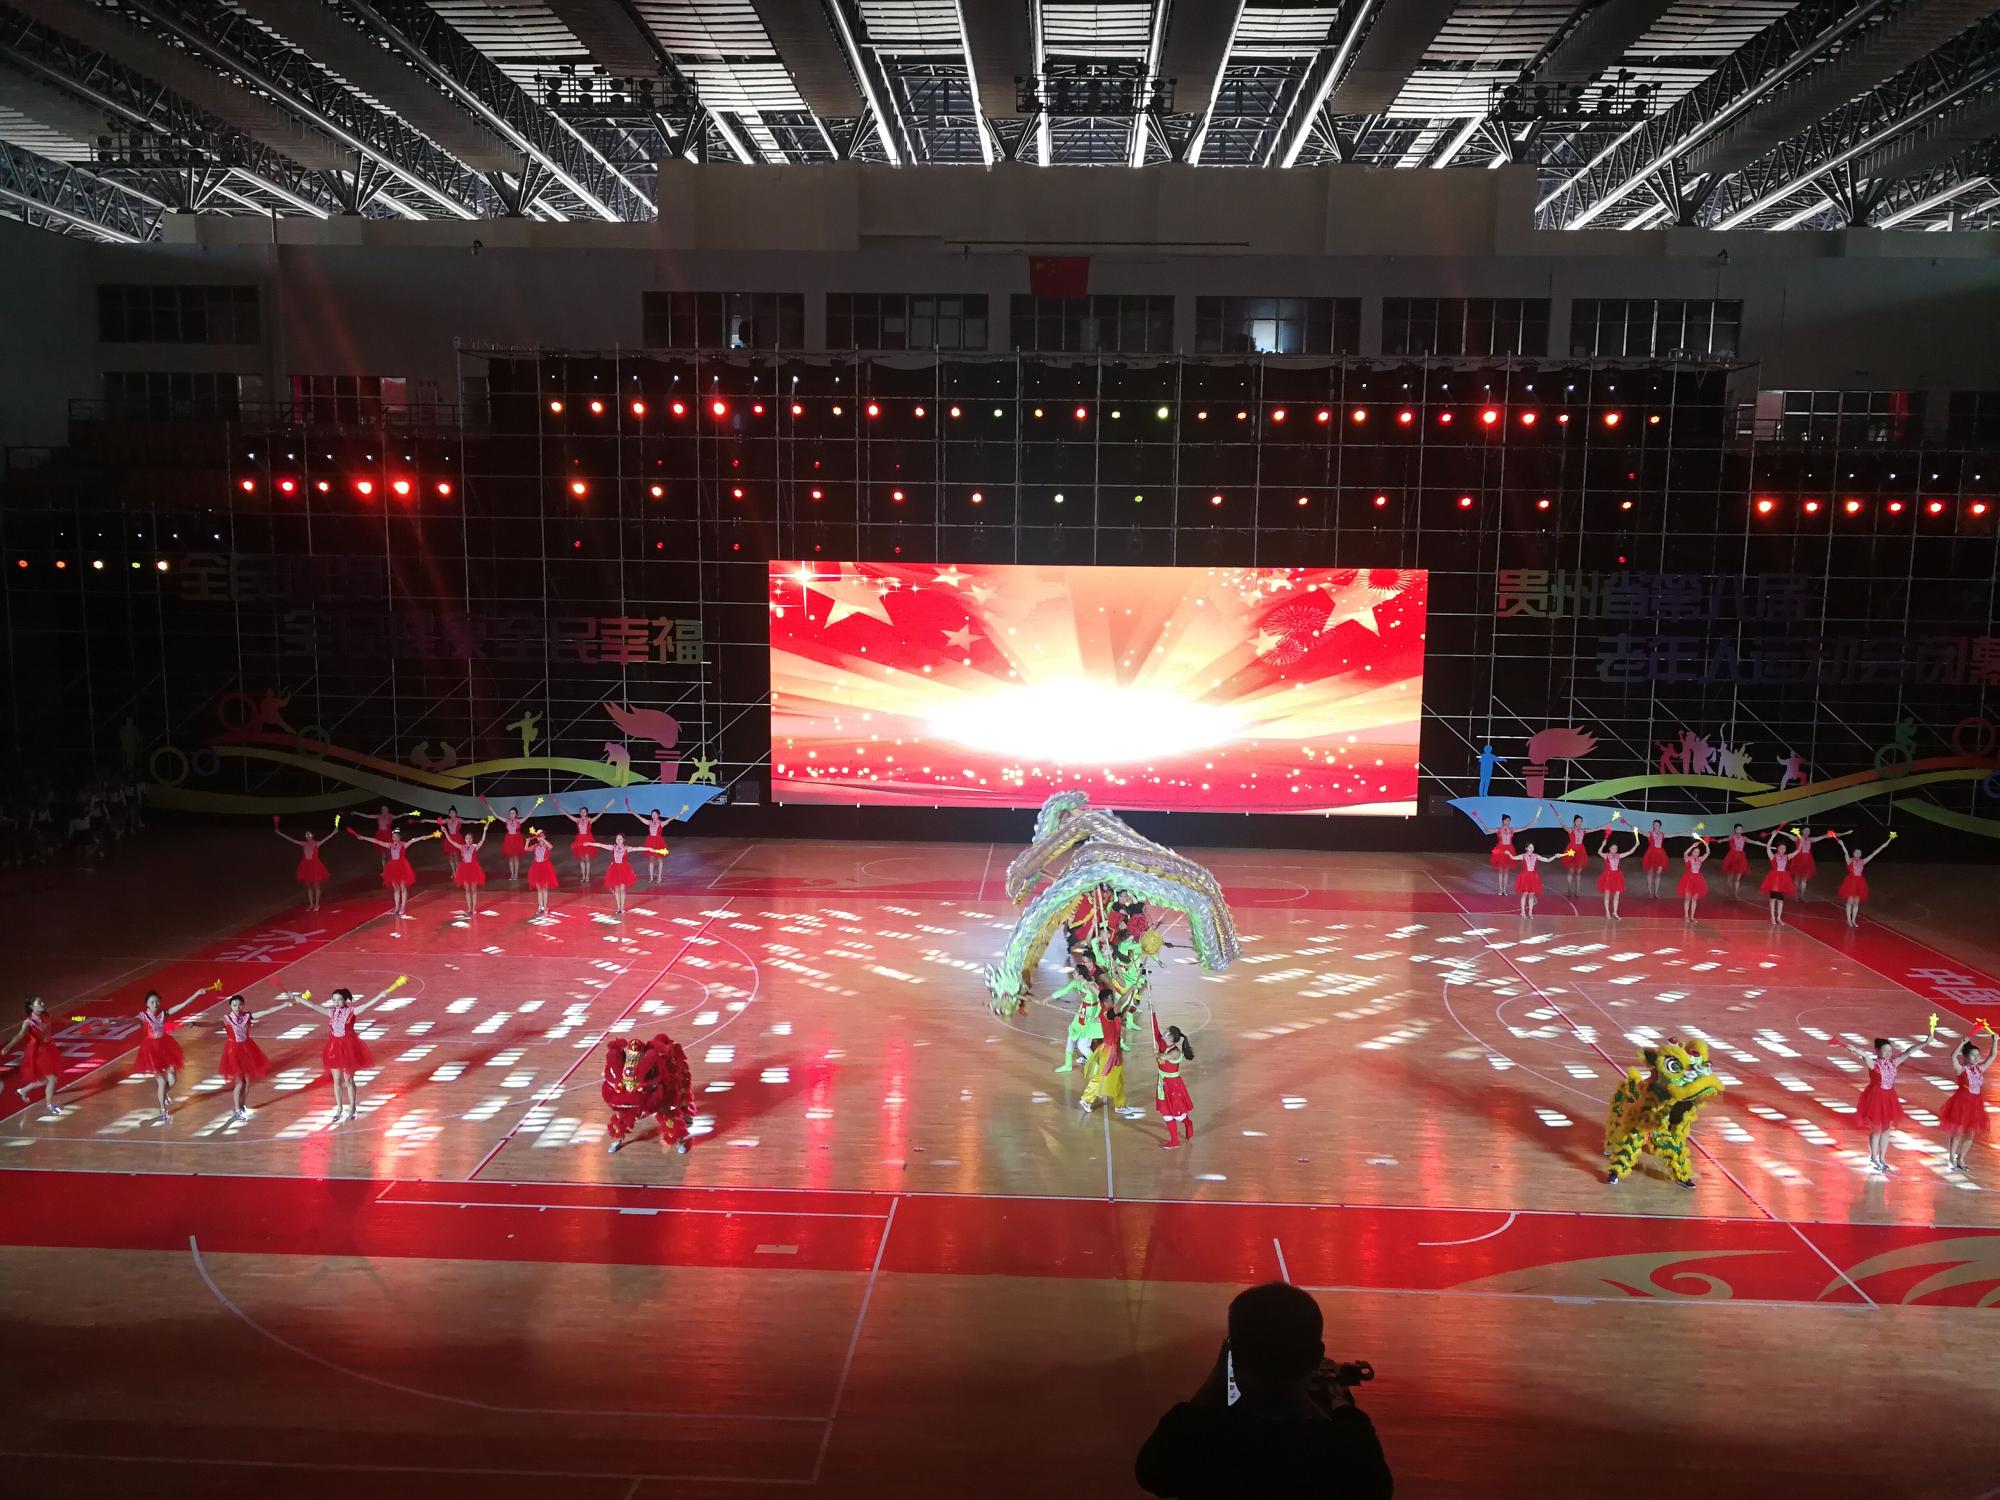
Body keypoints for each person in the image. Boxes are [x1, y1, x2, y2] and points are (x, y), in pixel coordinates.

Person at [1135, 1282, 1392, 1500]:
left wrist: (1218, 1377)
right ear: (1316, 1356)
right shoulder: (1347, 1444)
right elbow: (1376, 1489)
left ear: (1232, 1356)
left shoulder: (1191, 1433)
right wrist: (1340, 1402)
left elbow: (1150, 1475)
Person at [289, 983, 394, 1125]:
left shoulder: (352, 1011)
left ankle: (353, 1107)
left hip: (349, 1048)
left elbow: (367, 1005)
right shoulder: (331, 1012)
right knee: (336, 1080)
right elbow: (313, 1006)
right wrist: (298, 998)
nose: (336, 1002)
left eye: (339, 999)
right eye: (334, 1000)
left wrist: (380, 996)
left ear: (345, 1000)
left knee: (348, 1080)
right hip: (334, 1048)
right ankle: (339, 1108)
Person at [1848, 1027, 1931, 1175]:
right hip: (1875, 1098)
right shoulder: (1874, 1064)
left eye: (1890, 1050)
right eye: (1885, 1050)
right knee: (1876, 1130)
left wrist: (1925, 1042)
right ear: (1877, 1051)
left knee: (1886, 1130)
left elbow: (1908, 1052)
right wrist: (1855, 1050)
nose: (1888, 1053)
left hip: (1889, 1098)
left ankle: (1882, 1158)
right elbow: (1864, 1056)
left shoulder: (1894, 1063)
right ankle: (1873, 1158)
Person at [135, 984, 215, 1126]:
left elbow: (182, 1005)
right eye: (152, 1002)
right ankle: (163, 1111)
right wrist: (112, 1021)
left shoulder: (164, 1013)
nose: (155, 1004)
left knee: (172, 1080)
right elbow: (129, 1021)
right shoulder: (143, 1017)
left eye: (157, 1001)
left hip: (166, 1047)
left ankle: (164, 1093)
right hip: (151, 1051)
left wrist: (196, 994)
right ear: (147, 1004)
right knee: (161, 1081)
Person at [601, 1032, 694, 1154]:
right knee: (621, 1117)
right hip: (630, 1097)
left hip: (651, 1095)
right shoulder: (621, 1072)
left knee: (667, 1115)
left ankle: (679, 1139)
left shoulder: (653, 1068)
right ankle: (618, 1139)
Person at [216, 991, 286, 1121]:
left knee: (247, 1081)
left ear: (243, 1005)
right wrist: (196, 1024)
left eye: (240, 1005)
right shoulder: (227, 1019)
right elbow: (212, 1023)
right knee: (240, 1082)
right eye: (234, 1005)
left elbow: (267, 1012)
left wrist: (284, 1005)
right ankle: (236, 1109)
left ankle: (242, 1106)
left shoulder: (247, 1016)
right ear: (231, 1006)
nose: (237, 1007)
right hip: (233, 1051)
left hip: (247, 1050)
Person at [346, 823, 439, 920]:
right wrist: (363, 837)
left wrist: (423, 837)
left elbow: (413, 840)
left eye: (395, 836)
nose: (394, 838)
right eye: (393, 836)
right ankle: (397, 907)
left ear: (399, 837)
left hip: (402, 867)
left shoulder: (403, 844)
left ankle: (402, 908)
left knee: (403, 887)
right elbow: (376, 841)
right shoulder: (389, 845)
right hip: (392, 867)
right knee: (396, 888)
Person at [1942, 1025, 1995, 1173]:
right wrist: (1962, 1043)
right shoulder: (1961, 1069)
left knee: (1970, 1133)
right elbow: (1953, 1056)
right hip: (1962, 1103)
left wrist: (1995, 1040)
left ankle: (1961, 1159)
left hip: (1976, 1104)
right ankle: (1951, 1158)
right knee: (1958, 1131)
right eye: (1973, 1055)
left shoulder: (1980, 1069)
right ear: (1965, 1057)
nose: (1977, 1058)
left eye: (1978, 1055)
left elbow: (1992, 1056)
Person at [7, 996, 65, 1117]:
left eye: (42, 1001)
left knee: (45, 1080)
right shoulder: (28, 1022)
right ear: (31, 1006)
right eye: (39, 1002)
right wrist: (8, 1046)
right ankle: (49, 1106)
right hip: (38, 1053)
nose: (42, 1003)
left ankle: (23, 1090)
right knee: (52, 1079)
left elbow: (64, 1019)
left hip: (48, 1050)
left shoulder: (47, 1015)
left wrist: (81, 1019)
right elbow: (19, 1035)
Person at [1832, 831, 1896, 928]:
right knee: (1850, 901)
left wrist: (1886, 843)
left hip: (1860, 882)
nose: (1858, 854)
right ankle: (1849, 920)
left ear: (1861, 854)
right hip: (1851, 881)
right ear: (1853, 853)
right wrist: (1842, 845)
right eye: (1856, 852)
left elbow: (1875, 853)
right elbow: (1845, 852)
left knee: (1856, 902)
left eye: (1860, 852)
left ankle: (1853, 920)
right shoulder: (1850, 860)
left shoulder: (1863, 861)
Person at [1051, 964, 1103, 1073]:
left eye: (1075, 973)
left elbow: (1102, 998)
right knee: (1071, 1037)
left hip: (1092, 1015)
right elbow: (1063, 990)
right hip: (1082, 1012)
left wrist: (1099, 1015)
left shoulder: (1090, 985)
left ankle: (1097, 1067)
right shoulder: (1076, 983)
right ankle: (1068, 1065)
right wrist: (1047, 999)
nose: (1072, 974)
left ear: (1081, 976)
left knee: (1082, 1046)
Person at [1153, 1014, 1195, 1149]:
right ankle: (1174, 1140)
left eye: (1166, 1031)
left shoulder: (1175, 1052)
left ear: (1170, 1037)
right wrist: (1153, 1013)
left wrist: (1157, 1054)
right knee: (1166, 1112)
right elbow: (1155, 1030)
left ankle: (1188, 1123)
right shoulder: (1163, 1044)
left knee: (1177, 1113)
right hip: (1163, 1083)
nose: (1163, 1032)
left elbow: (1164, 1057)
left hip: (1173, 1085)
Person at [274, 818, 334, 910]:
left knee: (316, 885)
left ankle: (317, 904)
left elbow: (327, 838)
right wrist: (280, 833)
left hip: (315, 865)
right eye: (306, 835)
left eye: (309, 834)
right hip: (306, 865)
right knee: (309, 887)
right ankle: (311, 904)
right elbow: (291, 840)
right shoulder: (304, 843)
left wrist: (334, 832)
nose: (308, 835)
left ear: (312, 836)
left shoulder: (317, 843)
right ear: (306, 837)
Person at [1594, 820, 1639, 920]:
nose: (1614, 850)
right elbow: (1599, 852)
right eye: (1613, 848)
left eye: (1616, 848)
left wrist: (1636, 845)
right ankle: (1607, 912)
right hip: (1608, 876)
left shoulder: (1618, 855)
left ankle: (1615, 912)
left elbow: (1629, 852)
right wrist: (1603, 845)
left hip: (1617, 876)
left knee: (1617, 895)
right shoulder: (1606, 855)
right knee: (1607, 895)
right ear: (1610, 848)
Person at [446, 820, 490, 918]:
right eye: (466, 838)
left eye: (470, 838)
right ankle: (469, 908)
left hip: (473, 869)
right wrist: (445, 832)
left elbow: (482, 841)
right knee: (467, 890)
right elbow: (451, 842)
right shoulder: (462, 847)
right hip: (464, 869)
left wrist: (484, 830)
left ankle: (473, 909)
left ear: (472, 839)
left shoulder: (474, 847)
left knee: (473, 889)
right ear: (465, 839)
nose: (468, 840)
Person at [481, 799, 531, 882]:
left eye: (513, 813)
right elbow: (497, 816)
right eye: (510, 813)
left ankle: (516, 874)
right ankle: (512, 874)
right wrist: (490, 808)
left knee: (516, 858)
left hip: (517, 840)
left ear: (516, 814)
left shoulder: (519, 821)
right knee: (511, 858)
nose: (511, 814)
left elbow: (527, 816)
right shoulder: (507, 820)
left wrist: (533, 808)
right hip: (509, 840)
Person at [1761, 829, 1802, 926]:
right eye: (1781, 848)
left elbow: (1798, 850)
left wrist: (1799, 837)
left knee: (1780, 900)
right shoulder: (1773, 856)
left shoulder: (1788, 856)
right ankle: (1772, 917)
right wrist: (1772, 836)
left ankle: (1779, 918)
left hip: (1784, 879)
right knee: (1773, 899)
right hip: (1774, 879)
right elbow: (1768, 847)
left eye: (1784, 848)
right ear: (1777, 848)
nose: (1782, 849)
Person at [627, 800, 671, 883]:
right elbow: (640, 818)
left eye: (655, 814)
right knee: (651, 860)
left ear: (658, 815)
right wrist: (632, 812)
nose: (653, 816)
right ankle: (651, 876)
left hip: (659, 842)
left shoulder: (661, 823)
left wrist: (677, 815)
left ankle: (659, 876)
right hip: (650, 842)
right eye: (652, 814)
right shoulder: (649, 822)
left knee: (660, 859)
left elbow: (669, 820)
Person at [1677, 831, 1711, 924]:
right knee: (1687, 898)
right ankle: (1686, 916)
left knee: (1694, 899)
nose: (1696, 853)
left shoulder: (1700, 859)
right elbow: (1685, 853)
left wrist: (1706, 845)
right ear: (1692, 852)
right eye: (1695, 851)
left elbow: (1707, 853)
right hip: (1688, 879)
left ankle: (1692, 916)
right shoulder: (1688, 858)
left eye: (1698, 852)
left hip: (1698, 880)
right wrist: (1692, 846)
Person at [601, 832, 637, 918]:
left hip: (624, 870)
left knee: (622, 889)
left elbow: (638, 848)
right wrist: (589, 843)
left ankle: (622, 907)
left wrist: (650, 849)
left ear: (623, 840)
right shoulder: (613, 847)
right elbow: (601, 845)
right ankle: (618, 907)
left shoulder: (626, 848)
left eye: (620, 839)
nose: (618, 840)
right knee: (617, 889)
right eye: (617, 839)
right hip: (615, 870)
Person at [525, 826, 559, 918]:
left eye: (542, 835)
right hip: (536, 868)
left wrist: (543, 840)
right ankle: (540, 907)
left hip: (545, 868)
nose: (540, 836)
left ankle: (545, 906)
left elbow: (551, 846)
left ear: (544, 836)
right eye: (539, 835)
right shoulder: (535, 846)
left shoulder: (546, 846)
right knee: (539, 889)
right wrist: (527, 841)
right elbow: (526, 849)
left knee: (545, 888)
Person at [1503, 844, 1544, 919]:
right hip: (1525, 876)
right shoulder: (1523, 856)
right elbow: (1513, 858)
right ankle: (1522, 912)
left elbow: (1547, 860)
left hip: (1533, 877)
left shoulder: (1536, 856)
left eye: (1532, 847)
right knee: (1525, 894)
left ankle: (1530, 912)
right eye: (1530, 847)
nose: (1532, 848)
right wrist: (1509, 853)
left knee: (1531, 895)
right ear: (1526, 848)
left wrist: (1555, 856)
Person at [1553, 809, 1589, 896]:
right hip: (1572, 850)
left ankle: (1577, 891)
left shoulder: (1583, 830)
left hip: (1581, 851)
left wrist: (1605, 825)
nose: (1579, 823)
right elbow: (1563, 825)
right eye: (1578, 821)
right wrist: (1559, 817)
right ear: (1574, 822)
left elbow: (1596, 828)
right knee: (1571, 870)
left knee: (1578, 872)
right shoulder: (1571, 830)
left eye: (1581, 821)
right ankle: (1569, 889)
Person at [565, 806, 601, 884]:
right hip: (579, 840)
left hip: (588, 839)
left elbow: (597, 817)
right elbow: (568, 815)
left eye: (584, 811)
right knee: (581, 859)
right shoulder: (577, 820)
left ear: (587, 813)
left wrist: (603, 811)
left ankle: (587, 875)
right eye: (581, 811)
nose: (582, 813)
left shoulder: (589, 820)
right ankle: (583, 876)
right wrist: (561, 809)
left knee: (587, 859)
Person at [1719, 823, 1752, 898]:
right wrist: (1721, 840)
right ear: (1735, 830)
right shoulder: (1732, 836)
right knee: (1730, 877)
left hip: (1741, 858)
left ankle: (1736, 894)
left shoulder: (1744, 838)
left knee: (1737, 879)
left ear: (1742, 830)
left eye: (1741, 829)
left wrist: (1765, 845)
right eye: (1738, 829)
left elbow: (1754, 841)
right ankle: (1730, 891)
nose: (1739, 831)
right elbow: (1726, 839)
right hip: (1732, 857)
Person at [1639, 819, 1670, 898]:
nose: (1655, 826)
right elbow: (1641, 832)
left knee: (1658, 874)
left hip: (1661, 854)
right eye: (1654, 824)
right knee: (1650, 872)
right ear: (1653, 825)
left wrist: (1688, 831)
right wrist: (1632, 827)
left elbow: (1676, 834)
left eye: (1657, 824)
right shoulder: (1649, 833)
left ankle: (1656, 892)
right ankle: (1650, 892)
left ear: (1660, 826)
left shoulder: (1662, 834)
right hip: (1651, 854)